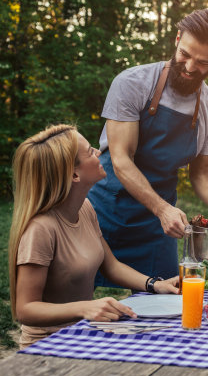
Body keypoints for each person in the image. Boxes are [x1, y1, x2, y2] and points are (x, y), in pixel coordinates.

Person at [88, 9, 208, 287]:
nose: (189, 67)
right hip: (106, 211)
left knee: (165, 299)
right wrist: (162, 209)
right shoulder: (132, 83)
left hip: (158, 227)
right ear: (177, 39)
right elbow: (121, 159)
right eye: (185, 54)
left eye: (202, 62)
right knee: (79, 297)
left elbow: (202, 174)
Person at [8, 125, 180, 349]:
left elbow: (111, 266)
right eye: (90, 151)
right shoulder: (41, 229)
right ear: (74, 174)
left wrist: (155, 285)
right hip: (48, 346)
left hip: (84, 333)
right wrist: (84, 308)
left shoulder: (85, 208)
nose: (99, 153)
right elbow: (25, 309)